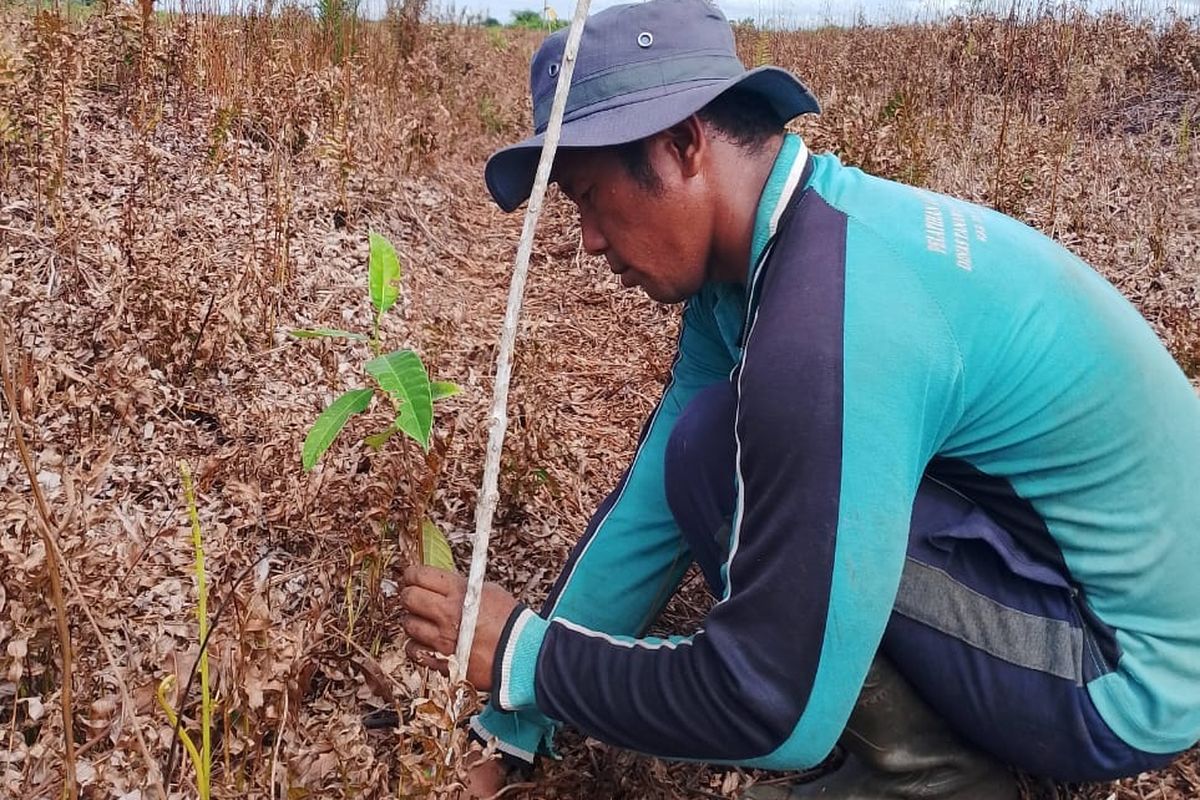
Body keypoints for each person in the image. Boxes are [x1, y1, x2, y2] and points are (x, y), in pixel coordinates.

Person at [399, 0, 1200, 797]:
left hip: (1126, 676)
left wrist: (523, 656)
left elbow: (772, 707)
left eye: (588, 196)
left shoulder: (827, 321)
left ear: (683, 145)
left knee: (745, 465)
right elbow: (651, 501)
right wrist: (516, 718)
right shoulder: (785, 252)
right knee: (709, 447)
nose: (590, 242)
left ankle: (937, 776)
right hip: (1065, 574)